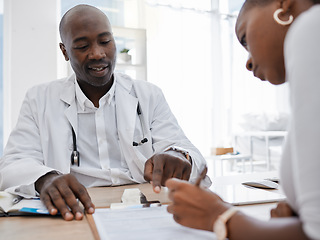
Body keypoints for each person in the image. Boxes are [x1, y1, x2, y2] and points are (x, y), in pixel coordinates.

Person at [0, 4, 210, 221]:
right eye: (82, 46)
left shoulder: (148, 95)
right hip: (76, 212)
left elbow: (191, 154)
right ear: (64, 51)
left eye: (105, 41)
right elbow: (13, 164)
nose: (97, 53)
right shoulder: (39, 99)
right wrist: (45, 178)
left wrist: (178, 155)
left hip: (145, 209)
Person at [166, 0, 320, 239]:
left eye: (245, 39)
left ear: (284, 4)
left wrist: (218, 216)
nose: (248, 62)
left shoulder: (311, 28)